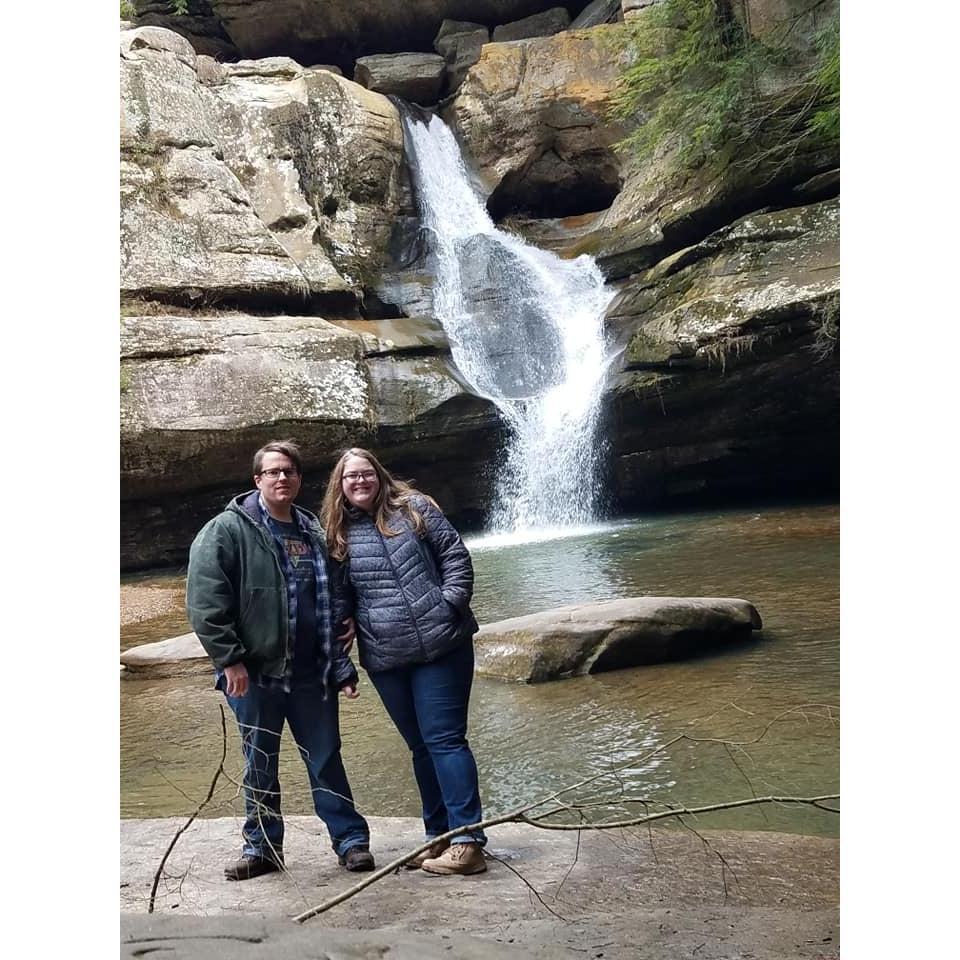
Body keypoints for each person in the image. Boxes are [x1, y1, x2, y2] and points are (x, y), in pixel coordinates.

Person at [186, 440, 376, 881]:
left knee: (326, 758)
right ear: (257, 480)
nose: (281, 478)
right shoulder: (227, 531)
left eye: (289, 471)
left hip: (312, 674)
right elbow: (204, 601)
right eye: (272, 472)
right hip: (256, 675)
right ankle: (263, 848)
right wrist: (229, 660)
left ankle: (350, 842)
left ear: (298, 478)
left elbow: (333, 591)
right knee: (259, 763)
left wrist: (342, 653)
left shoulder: (310, 528)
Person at [321, 447, 487, 876]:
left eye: (366, 473)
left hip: (441, 645)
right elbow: (339, 605)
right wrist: (341, 664)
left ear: (378, 475)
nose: (359, 481)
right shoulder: (337, 535)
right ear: (339, 485)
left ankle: (469, 841)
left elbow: (456, 557)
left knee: (445, 739)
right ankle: (440, 838)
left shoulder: (415, 509)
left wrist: (446, 605)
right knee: (420, 748)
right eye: (350, 477)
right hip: (387, 657)